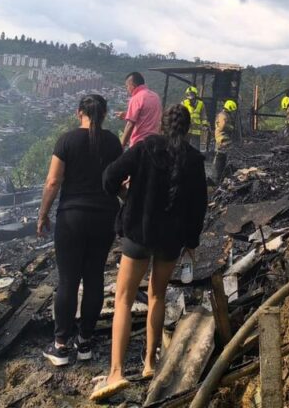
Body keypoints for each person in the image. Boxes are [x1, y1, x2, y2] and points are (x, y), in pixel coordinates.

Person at [91, 105, 208, 403]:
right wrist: (191, 241)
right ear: (187, 128)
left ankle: (116, 371)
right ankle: (149, 364)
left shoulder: (145, 148)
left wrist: (125, 195)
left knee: (124, 300)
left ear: (162, 125)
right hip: (170, 241)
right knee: (158, 296)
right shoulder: (193, 159)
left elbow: (108, 176)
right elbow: (199, 205)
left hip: (138, 235)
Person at [36, 94, 122, 366]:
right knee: (94, 277)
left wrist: (43, 214)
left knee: (68, 280)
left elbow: (53, 181)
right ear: (104, 114)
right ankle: (85, 342)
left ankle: (61, 345)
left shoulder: (67, 140)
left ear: (79, 113)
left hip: (72, 216)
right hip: (105, 217)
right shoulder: (112, 142)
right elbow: (121, 182)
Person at [115, 72, 161, 149]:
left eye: (127, 86)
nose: (127, 89)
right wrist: (127, 115)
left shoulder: (136, 98)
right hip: (154, 142)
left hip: (139, 143)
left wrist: (121, 145)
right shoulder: (155, 96)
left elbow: (130, 125)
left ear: (133, 85)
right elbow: (147, 116)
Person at [211, 99, 237, 182]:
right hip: (222, 138)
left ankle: (219, 176)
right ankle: (216, 177)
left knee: (222, 157)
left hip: (223, 138)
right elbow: (222, 126)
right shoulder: (223, 115)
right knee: (220, 156)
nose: (233, 112)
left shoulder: (224, 114)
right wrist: (231, 127)